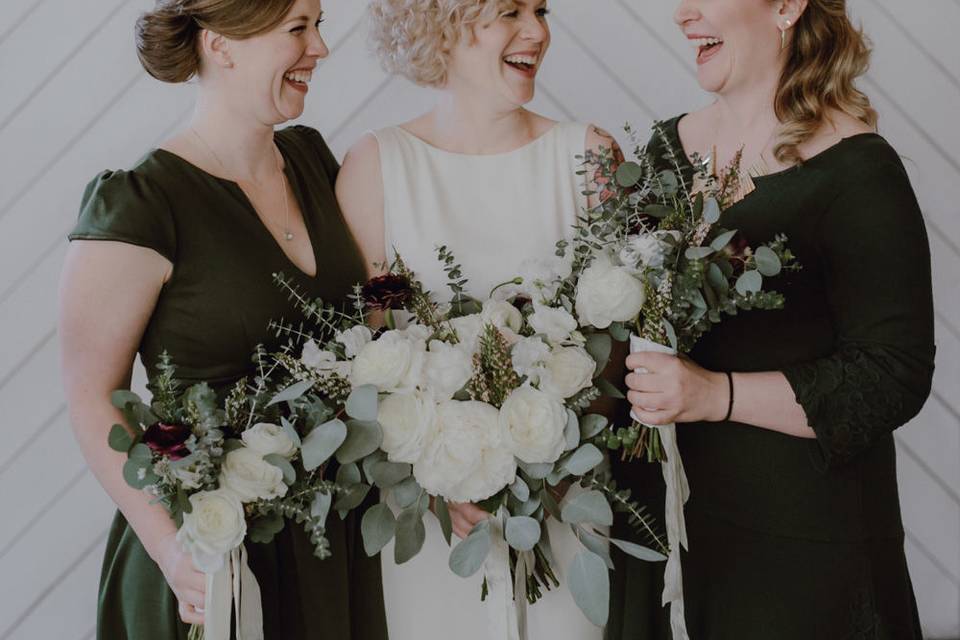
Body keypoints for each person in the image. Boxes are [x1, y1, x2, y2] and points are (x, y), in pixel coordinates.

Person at [58, 0, 387, 637]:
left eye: (319, 25)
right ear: (221, 44)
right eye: (298, 28)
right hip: (210, 554)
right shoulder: (140, 204)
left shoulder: (316, 161)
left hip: (330, 543)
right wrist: (174, 550)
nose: (320, 48)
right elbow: (91, 398)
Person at [609, 0, 935, 637]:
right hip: (672, 530)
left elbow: (893, 375)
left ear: (786, 6)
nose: (682, 12)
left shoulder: (859, 170)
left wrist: (715, 395)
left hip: (804, 550)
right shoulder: (665, 151)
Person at [337, 1, 620, 638]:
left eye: (541, 9)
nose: (537, 31)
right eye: (509, 11)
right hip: (436, 528)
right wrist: (442, 480)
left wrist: (551, 463)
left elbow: (623, 360)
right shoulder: (376, 165)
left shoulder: (589, 158)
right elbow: (365, 364)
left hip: (566, 511)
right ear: (443, 22)